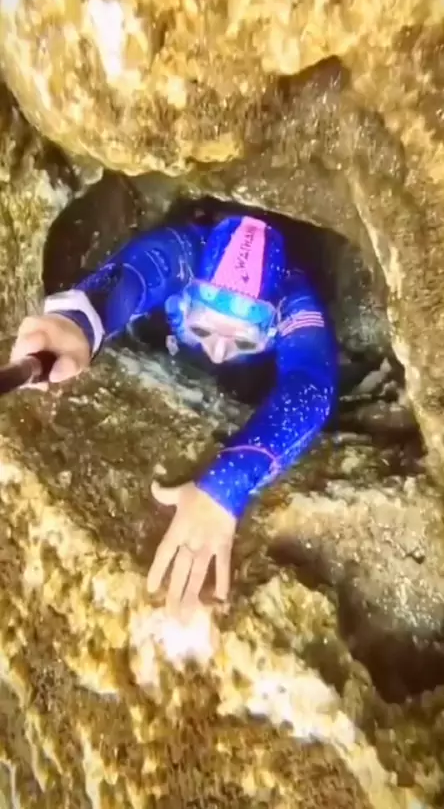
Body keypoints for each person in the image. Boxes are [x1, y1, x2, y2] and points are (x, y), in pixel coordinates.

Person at [11, 214, 337, 611]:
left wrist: (227, 485)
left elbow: (310, 385)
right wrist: (78, 323)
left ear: (273, 323)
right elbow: (135, 275)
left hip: (251, 378)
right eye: (204, 329)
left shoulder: (294, 300)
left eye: (242, 340)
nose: (218, 351)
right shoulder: (185, 253)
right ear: (190, 296)